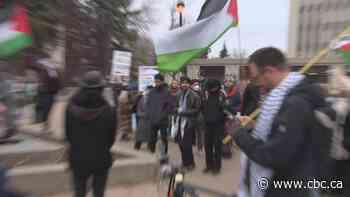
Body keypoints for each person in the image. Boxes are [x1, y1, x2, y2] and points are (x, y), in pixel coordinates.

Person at [232, 47, 327, 197]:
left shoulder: (296, 103)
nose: (256, 84)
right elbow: (284, 137)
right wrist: (253, 127)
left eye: (256, 78)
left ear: (269, 71)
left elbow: (274, 155)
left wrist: (239, 134)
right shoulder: (285, 97)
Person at [65, 70, 117, 197]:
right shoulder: (108, 110)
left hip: (78, 157)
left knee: (79, 191)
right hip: (101, 157)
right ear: (101, 88)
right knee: (99, 192)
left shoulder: (70, 107)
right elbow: (111, 137)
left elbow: (68, 134)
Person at [202, 79, 231, 175]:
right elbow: (202, 108)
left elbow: (227, 109)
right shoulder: (206, 95)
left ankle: (217, 167)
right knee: (207, 146)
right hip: (207, 125)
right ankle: (209, 165)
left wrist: (221, 117)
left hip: (218, 126)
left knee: (217, 147)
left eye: (214, 87)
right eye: (211, 87)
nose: (213, 89)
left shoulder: (222, 95)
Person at [174, 77, 200, 171]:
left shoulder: (194, 96)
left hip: (189, 123)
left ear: (189, 84)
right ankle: (185, 162)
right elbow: (175, 107)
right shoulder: (178, 94)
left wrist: (184, 112)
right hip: (179, 122)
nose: (184, 85)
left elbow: (196, 110)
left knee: (187, 144)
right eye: (182, 83)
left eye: (186, 83)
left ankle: (191, 163)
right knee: (180, 144)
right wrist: (177, 110)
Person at [31, 59, 61, 131]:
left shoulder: (52, 72)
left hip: (49, 93)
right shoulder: (42, 72)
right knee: (41, 107)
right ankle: (43, 123)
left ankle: (45, 124)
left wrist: (56, 92)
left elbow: (57, 83)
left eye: (41, 65)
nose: (40, 66)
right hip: (43, 92)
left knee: (47, 109)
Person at [146, 74, 172, 155]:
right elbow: (148, 104)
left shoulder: (167, 92)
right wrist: (150, 114)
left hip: (163, 120)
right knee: (152, 139)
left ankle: (164, 155)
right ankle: (152, 155)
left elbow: (169, 106)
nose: (157, 83)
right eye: (156, 81)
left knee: (164, 139)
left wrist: (163, 115)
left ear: (162, 81)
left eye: (158, 82)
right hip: (153, 120)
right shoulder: (151, 92)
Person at [134, 86, 152, 150]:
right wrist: (142, 114)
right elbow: (138, 109)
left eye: (150, 91)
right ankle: (137, 146)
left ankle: (150, 146)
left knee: (150, 134)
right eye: (148, 90)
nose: (148, 92)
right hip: (142, 119)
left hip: (150, 119)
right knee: (140, 134)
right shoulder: (141, 99)